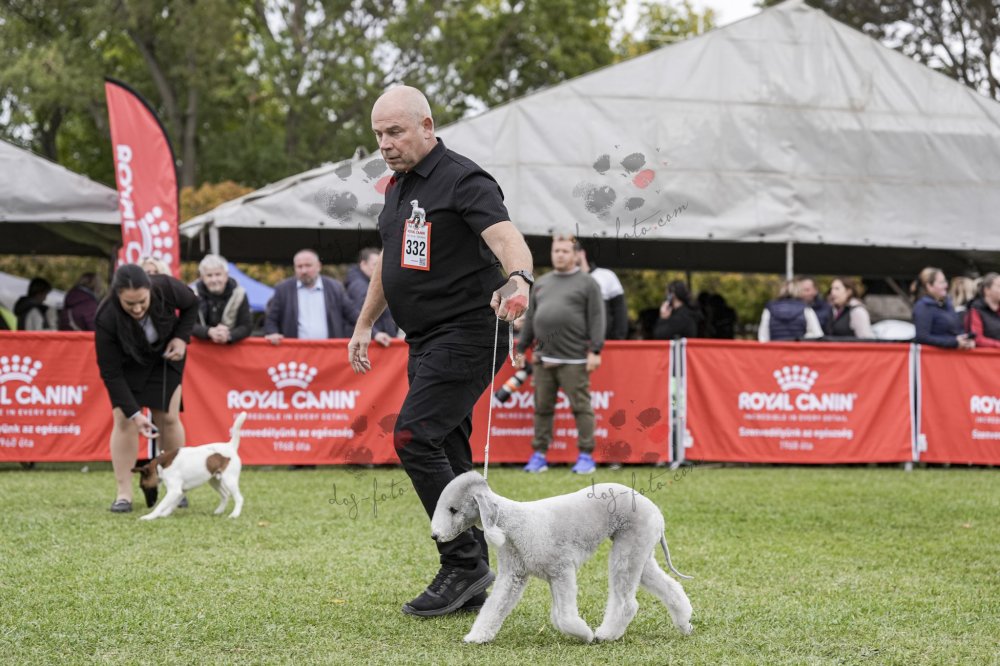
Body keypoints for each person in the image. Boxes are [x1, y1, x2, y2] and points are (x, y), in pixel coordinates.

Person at [347, 85, 533, 618]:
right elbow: (392, 262)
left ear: (427, 126)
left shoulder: (463, 179)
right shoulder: (397, 187)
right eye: (378, 134)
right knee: (449, 453)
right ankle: (479, 570)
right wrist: (365, 322)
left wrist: (519, 279)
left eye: (395, 131)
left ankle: (463, 563)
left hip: (469, 331)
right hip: (424, 338)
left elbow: (507, 238)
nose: (385, 143)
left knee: (414, 435)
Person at [94, 264, 199, 513]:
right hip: (128, 365)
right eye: (129, 304)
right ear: (117, 295)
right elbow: (110, 373)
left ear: (150, 289)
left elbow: (192, 303)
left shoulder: (166, 287)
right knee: (123, 420)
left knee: (169, 418)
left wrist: (181, 338)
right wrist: (134, 414)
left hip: (166, 357)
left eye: (142, 301)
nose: (137, 309)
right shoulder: (106, 317)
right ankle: (124, 494)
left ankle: (176, 489)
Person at [517, 235, 605, 475]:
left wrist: (596, 350)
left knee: (581, 407)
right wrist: (521, 348)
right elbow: (531, 319)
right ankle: (539, 455)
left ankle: (586, 456)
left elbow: (597, 318)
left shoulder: (588, 283)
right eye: (556, 251)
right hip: (543, 359)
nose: (560, 255)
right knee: (542, 408)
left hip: (575, 359)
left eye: (565, 251)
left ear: (576, 255)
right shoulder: (542, 283)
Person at [264, 249, 357, 344]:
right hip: (295, 350)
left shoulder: (335, 288)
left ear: (319, 266)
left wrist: (366, 334)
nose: (304, 271)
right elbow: (271, 319)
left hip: (328, 349)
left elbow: (353, 315)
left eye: (308, 265)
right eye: (299, 266)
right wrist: (272, 333)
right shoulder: (283, 289)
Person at [191, 255, 252, 345]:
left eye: (218, 274)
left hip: (230, 349)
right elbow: (187, 324)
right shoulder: (192, 294)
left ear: (226, 275)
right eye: (209, 275)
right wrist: (208, 332)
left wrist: (229, 336)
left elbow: (246, 326)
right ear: (202, 277)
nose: (214, 279)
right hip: (199, 350)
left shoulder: (239, 294)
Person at [345, 247, 398, 346]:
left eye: (380, 265)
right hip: (374, 343)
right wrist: (375, 334)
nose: (379, 269)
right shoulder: (359, 287)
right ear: (363, 264)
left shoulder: (368, 284)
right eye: (375, 265)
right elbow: (357, 315)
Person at [912, 266, 974, 350]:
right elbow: (922, 337)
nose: (946, 285)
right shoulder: (923, 306)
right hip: (933, 356)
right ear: (929, 286)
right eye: (941, 282)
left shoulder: (948, 304)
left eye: (945, 281)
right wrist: (954, 342)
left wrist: (965, 339)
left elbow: (956, 330)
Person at [577, 247, 628, 340]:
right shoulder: (562, 281)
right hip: (572, 343)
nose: (562, 255)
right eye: (558, 251)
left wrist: (618, 340)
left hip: (605, 342)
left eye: (566, 251)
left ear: (582, 253)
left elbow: (619, 311)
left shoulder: (607, 275)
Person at [758, 281, 824, 341]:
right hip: (798, 349)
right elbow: (817, 334)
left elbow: (763, 337)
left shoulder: (769, 309)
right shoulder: (806, 309)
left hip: (775, 349)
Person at [965, 272, 1000, 348]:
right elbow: (977, 339)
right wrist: (997, 344)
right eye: (999, 286)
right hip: (987, 354)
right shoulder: (976, 309)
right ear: (987, 290)